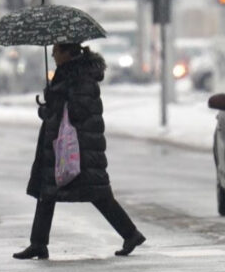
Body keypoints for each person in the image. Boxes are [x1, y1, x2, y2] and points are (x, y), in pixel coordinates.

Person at [13, 43, 145, 260]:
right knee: (48, 193)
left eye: (56, 51)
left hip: (79, 148)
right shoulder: (68, 74)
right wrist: (50, 104)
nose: (53, 55)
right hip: (66, 145)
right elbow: (60, 109)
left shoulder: (80, 77)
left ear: (67, 53)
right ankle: (38, 243)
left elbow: (78, 110)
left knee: (98, 194)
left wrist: (56, 96)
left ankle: (131, 234)